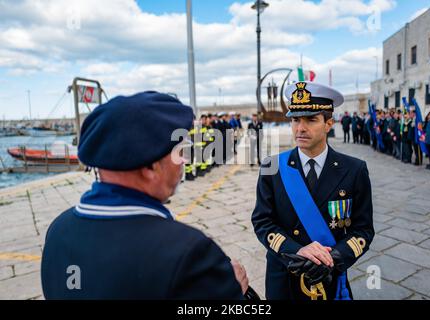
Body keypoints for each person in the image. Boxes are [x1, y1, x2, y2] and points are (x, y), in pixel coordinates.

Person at [41, 91, 249, 299]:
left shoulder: (58, 229)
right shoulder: (188, 254)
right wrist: (233, 291)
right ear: (151, 166)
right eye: (179, 151)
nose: (184, 160)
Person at [252, 81, 374, 300]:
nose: (300, 128)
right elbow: (263, 222)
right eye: (296, 119)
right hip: (284, 273)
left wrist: (335, 258)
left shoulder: (354, 170)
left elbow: (363, 230)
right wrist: (296, 250)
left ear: (329, 123)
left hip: (330, 273)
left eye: (311, 119)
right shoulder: (272, 167)